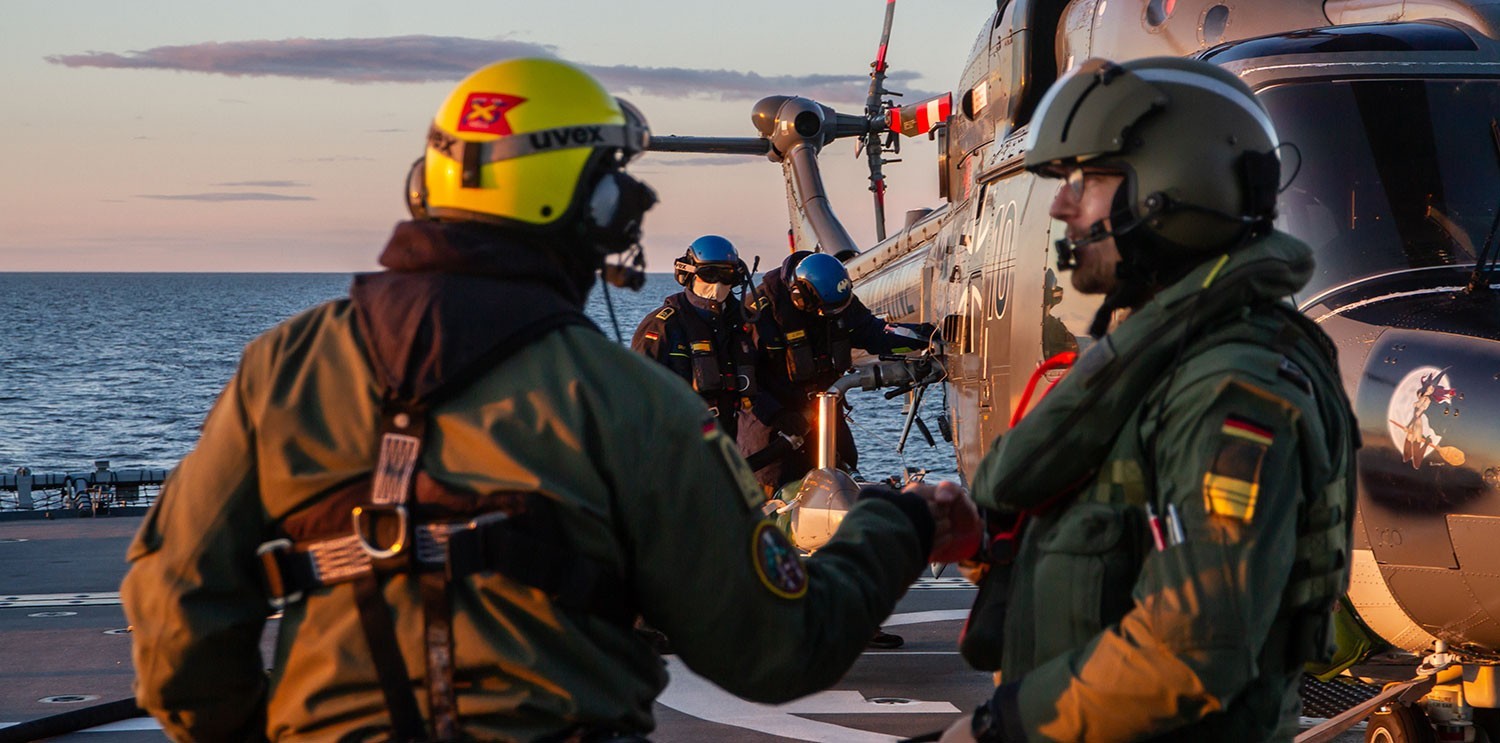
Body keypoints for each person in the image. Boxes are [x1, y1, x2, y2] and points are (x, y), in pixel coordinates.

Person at [120, 57, 982, 743]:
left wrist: (241, 726)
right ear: (587, 204)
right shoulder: (630, 404)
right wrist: (897, 525)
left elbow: (175, 609)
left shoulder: (284, 367)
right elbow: (777, 646)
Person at [942, 57, 1358, 742]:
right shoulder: (1164, 361)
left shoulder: (1232, 388)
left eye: (1091, 180)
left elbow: (1192, 648)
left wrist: (1008, 724)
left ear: (1169, 185)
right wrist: (993, 536)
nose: (1061, 204)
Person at [739, 250, 934, 492]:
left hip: (825, 415)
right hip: (773, 427)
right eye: (826, 311)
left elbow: (873, 332)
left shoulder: (840, 304)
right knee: (776, 488)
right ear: (800, 296)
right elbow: (743, 380)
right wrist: (777, 416)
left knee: (843, 478)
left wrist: (926, 335)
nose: (830, 317)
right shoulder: (760, 311)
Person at [631, 235, 759, 439]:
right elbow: (637, 391)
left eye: (726, 275)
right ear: (687, 275)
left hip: (728, 437)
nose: (717, 283)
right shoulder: (664, 324)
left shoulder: (741, 324)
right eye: (708, 274)